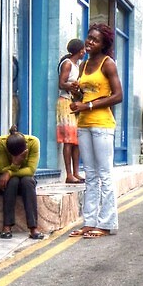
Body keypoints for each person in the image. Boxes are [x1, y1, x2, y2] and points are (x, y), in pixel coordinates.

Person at [68, 24, 123, 238]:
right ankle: (89, 222)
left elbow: (118, 96)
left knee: (105, 174)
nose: (89, 42)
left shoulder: (108, 64)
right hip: (84, 124)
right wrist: (75, 96)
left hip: (102, 125)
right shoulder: (83, 65)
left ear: (104, 44)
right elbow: (82, 98)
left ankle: (106, 223)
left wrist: (88, 106)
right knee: (90, 175)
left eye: (95, 40)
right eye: (89, 38)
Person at [0, 127, 45, 240]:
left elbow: (30, 170)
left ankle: (33, 227)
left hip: (23, 180)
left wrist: (10, 172)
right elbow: (2, 168)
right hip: (2, 180)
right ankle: (7, 226)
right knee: (13, 181)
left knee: (27, 181)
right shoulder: (1, 143)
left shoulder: (33, 142)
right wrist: (15, 163)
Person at [56, 38, 86, 184]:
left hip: (75, 103)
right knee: (68, 140)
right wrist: (72, 87)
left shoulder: (77, 65)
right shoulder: (67, 64)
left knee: (76, 140)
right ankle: (68, 174)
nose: (85, 52)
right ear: (79, 51)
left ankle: (76, 172)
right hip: (66, 103)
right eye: (83, 49)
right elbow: (61, 83)